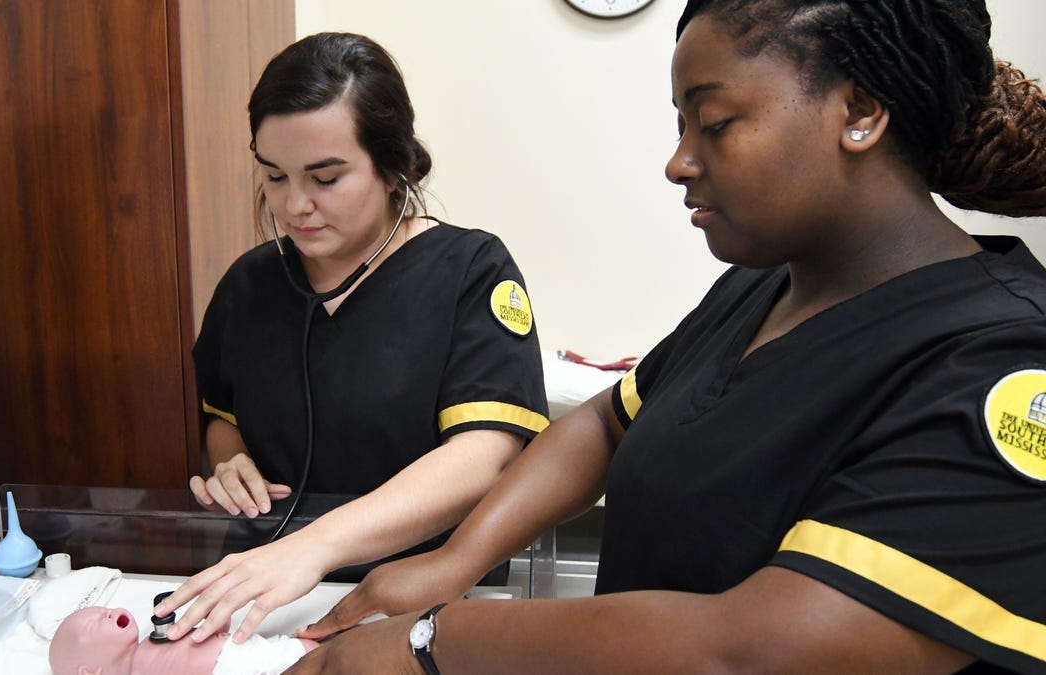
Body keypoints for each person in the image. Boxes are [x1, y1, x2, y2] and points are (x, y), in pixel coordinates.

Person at [279, 1, 1046, 673]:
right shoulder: (760, 290)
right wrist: (454, 559)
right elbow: (604, 421)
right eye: (681, 125)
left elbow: (759, 651)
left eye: (714, 123)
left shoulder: (1004, 361)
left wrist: (435, 639)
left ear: (861, 111)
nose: (679, 162)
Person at [154, 32, 549, 643]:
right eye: (275, 176)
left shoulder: (470, 271)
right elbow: (223, 413)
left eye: (326, 177)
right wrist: (230, 461)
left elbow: (485, 455)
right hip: (264, 596)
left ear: (393, 168)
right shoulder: (250, 284)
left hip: (416, 600)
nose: (295, 205)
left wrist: (312, 548)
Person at [47, 606, 317, 675]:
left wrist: (216, 619)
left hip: (235, 650)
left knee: (304, 649)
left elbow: (197, 633)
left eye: (102, 610)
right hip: (230, 666)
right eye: (94, 623)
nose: (106, 614)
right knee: (309, 657)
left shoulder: (152, 639)